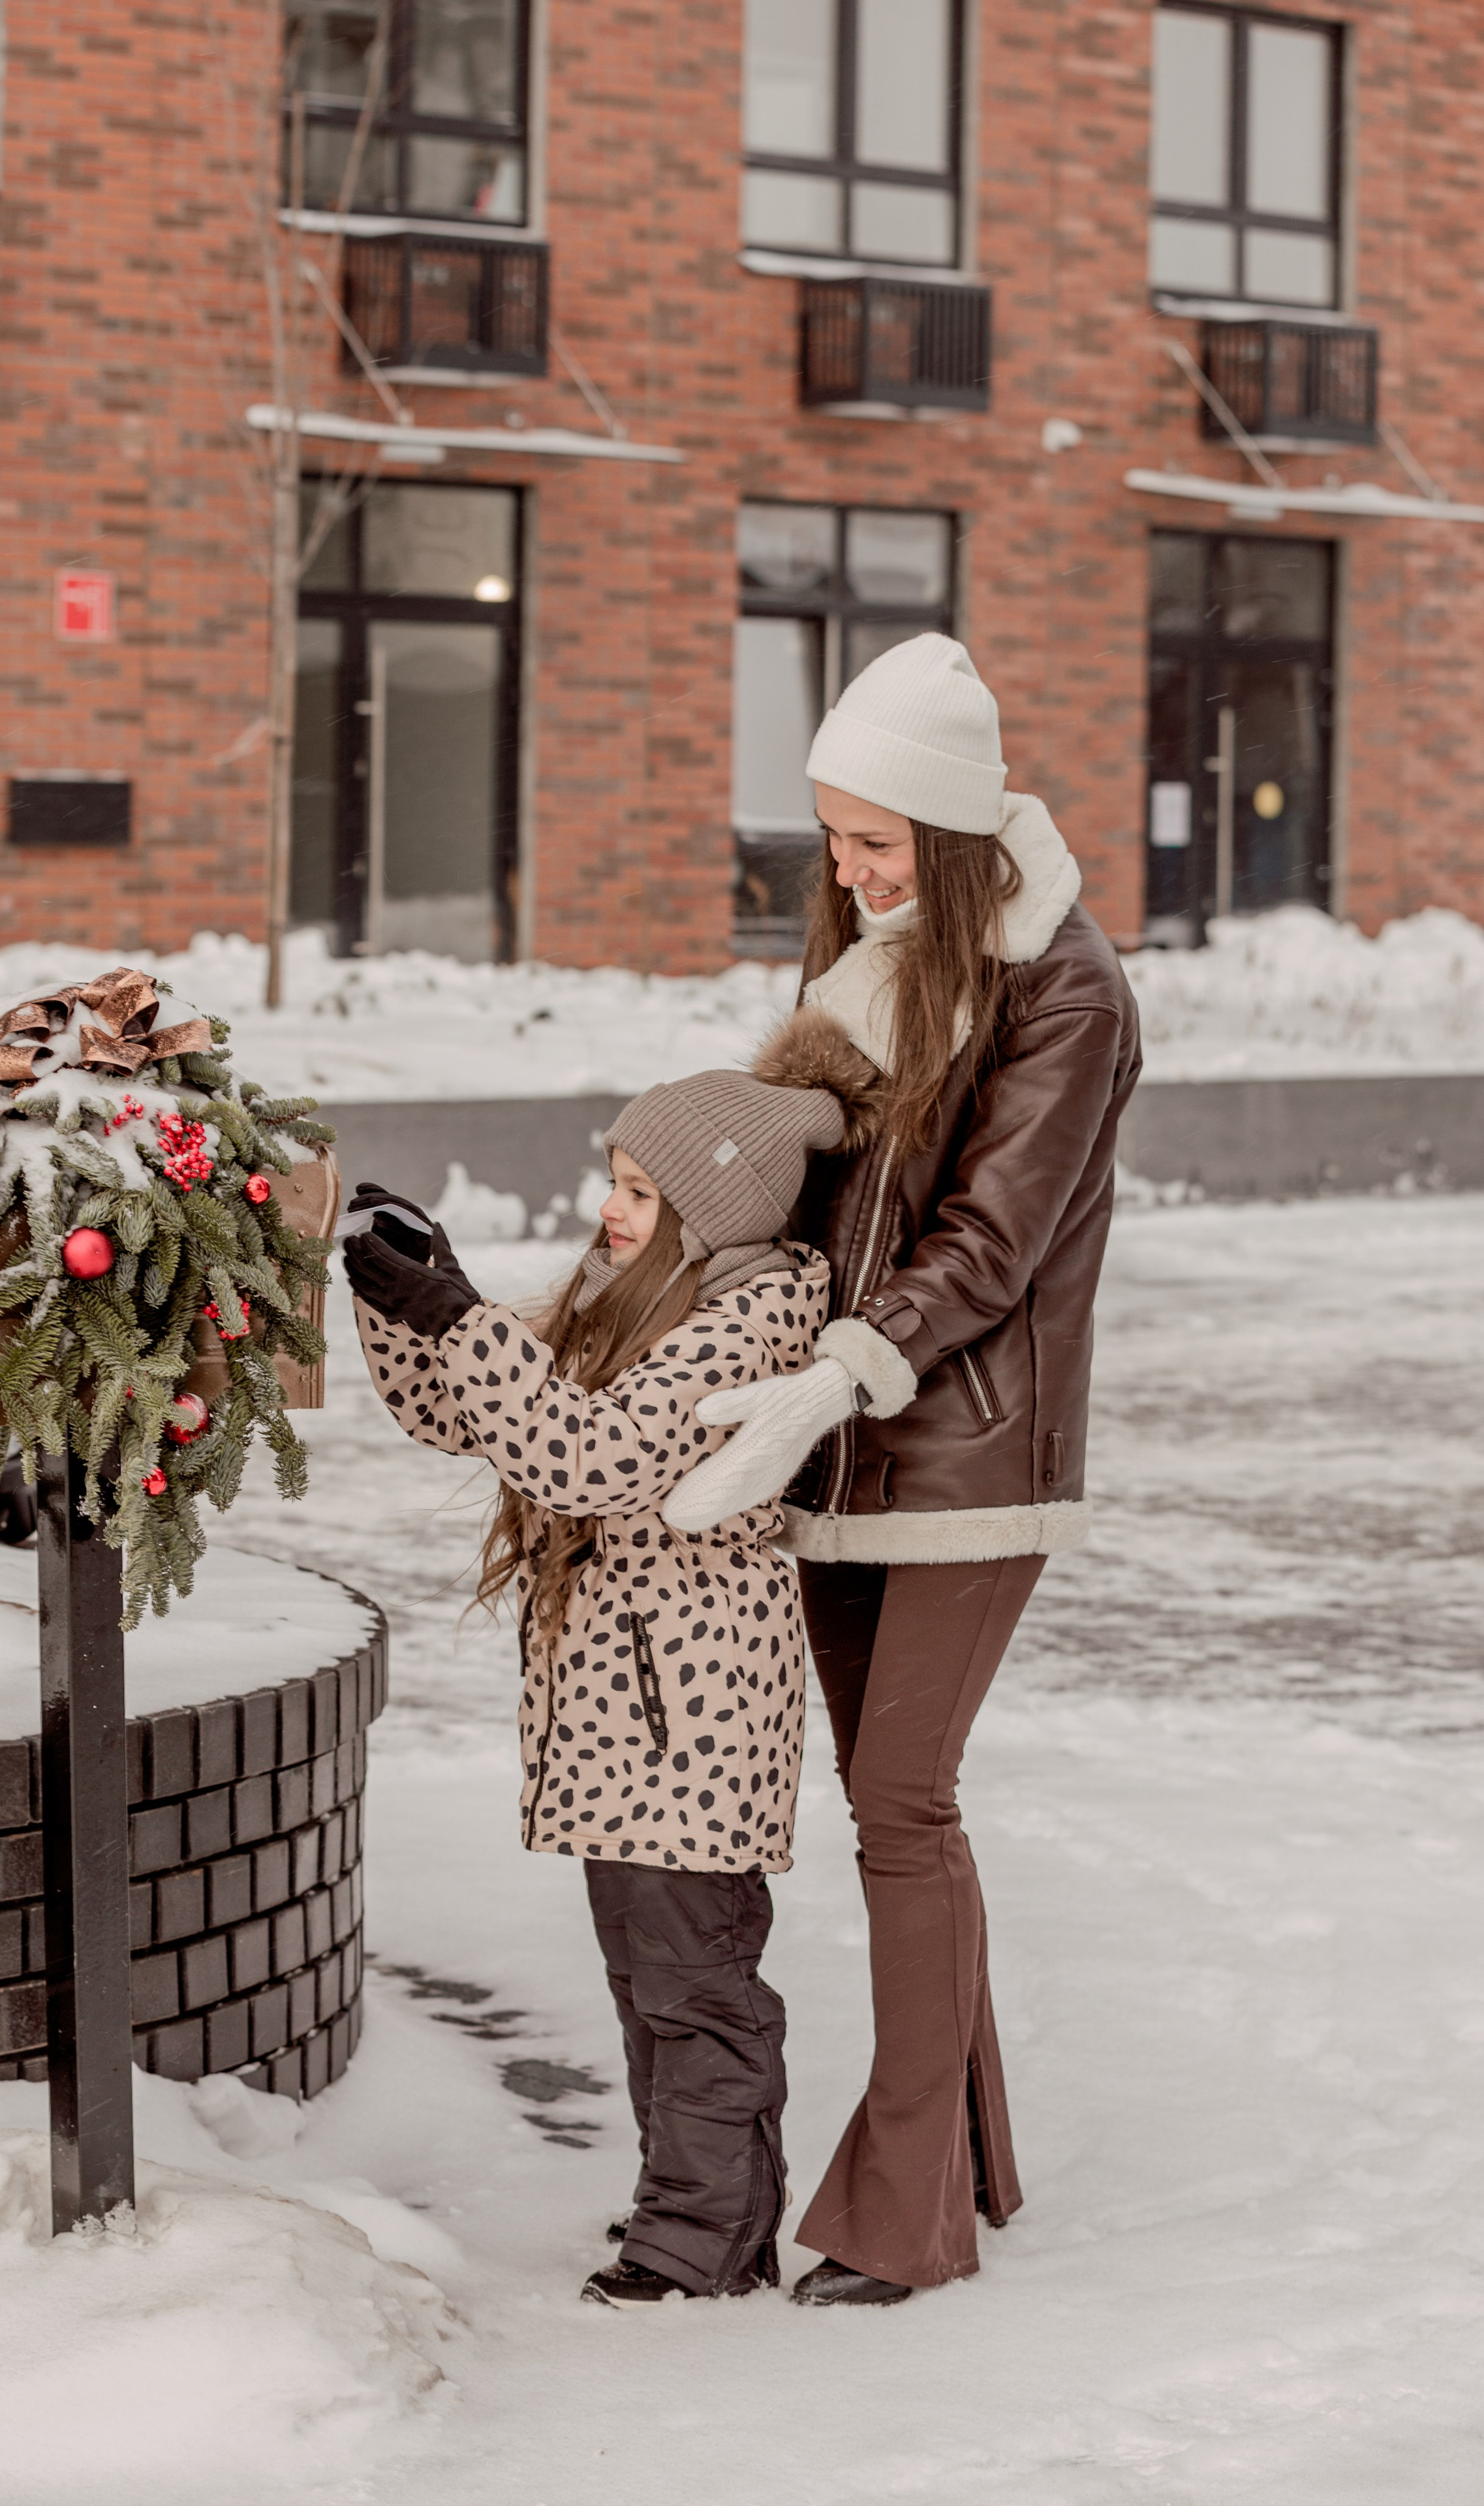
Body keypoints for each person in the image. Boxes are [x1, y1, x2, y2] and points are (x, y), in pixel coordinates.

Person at [665, 632, 1142, 2308]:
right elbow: (809, 1191)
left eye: (878, 845)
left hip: (961, 1450)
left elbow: (990, 1240)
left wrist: (840, 1375)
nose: (849, 873)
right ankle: (970, 2159)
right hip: (833, 1441)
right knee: (897, 1817)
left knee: (899, 1807)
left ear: (950, 836)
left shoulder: (1061, 989)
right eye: (834, 838)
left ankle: (903, 2213)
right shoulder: (876, 967)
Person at [343, 1057, 868, 2307]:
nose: (613, 1209)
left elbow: (589, 1458)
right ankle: (698, 2219)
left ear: (715, 1204)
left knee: (696, 1988)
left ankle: (702, 2243)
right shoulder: (639, 1296)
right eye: (613, 1180)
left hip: (693, 1713)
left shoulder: (750, 1326)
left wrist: (461, 1321)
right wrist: (416, 1300)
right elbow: (473, 1414)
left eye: (641, 1189)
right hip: (621, 1714)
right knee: (650, 1987)